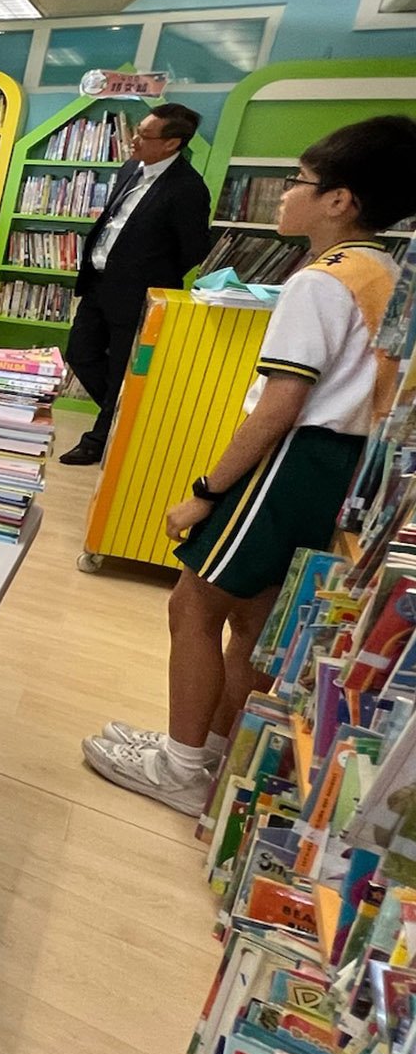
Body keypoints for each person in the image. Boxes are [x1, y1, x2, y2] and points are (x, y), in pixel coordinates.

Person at [84, 116, 416, 812]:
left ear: (339, 200)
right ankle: (208, 751)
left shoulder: (320, 282)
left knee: (194, 604)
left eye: (299, 181)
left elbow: (279, 406)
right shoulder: (385, 272)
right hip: (345, 467)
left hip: (292, 462)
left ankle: (180, 766)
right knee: (254, 620)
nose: (284, 194)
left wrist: (205, 490)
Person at [61, 103, 213, 466]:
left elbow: (193, 249)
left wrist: (146, 273)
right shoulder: (130, 168)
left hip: (138, 294)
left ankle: (99, 439)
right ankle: (124, 417)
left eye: (144, 135)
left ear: (171, 143)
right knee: (80, 354)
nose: (133, 139)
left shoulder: (188, 188)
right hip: (99, 283)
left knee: (120, 369)